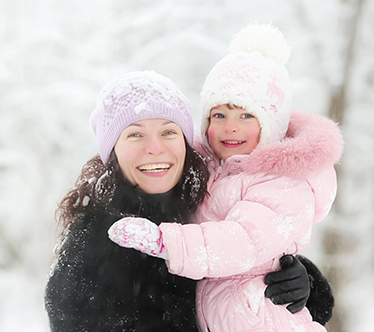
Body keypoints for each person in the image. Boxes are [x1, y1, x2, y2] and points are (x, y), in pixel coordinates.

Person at [45, 71, 333, 331]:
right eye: (135, 135)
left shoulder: (199, 199)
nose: (155, 148)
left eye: (169, 132)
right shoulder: (100, 240)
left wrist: (300, 282)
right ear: (113, 152)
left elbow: (243, 250)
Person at [108, 24, 343, 332]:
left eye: (246, 115)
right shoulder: (208, 171)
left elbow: (244, 241)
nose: (231, 127)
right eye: (219, 115)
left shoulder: (280, 182)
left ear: (271, 125)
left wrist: (166, 242)